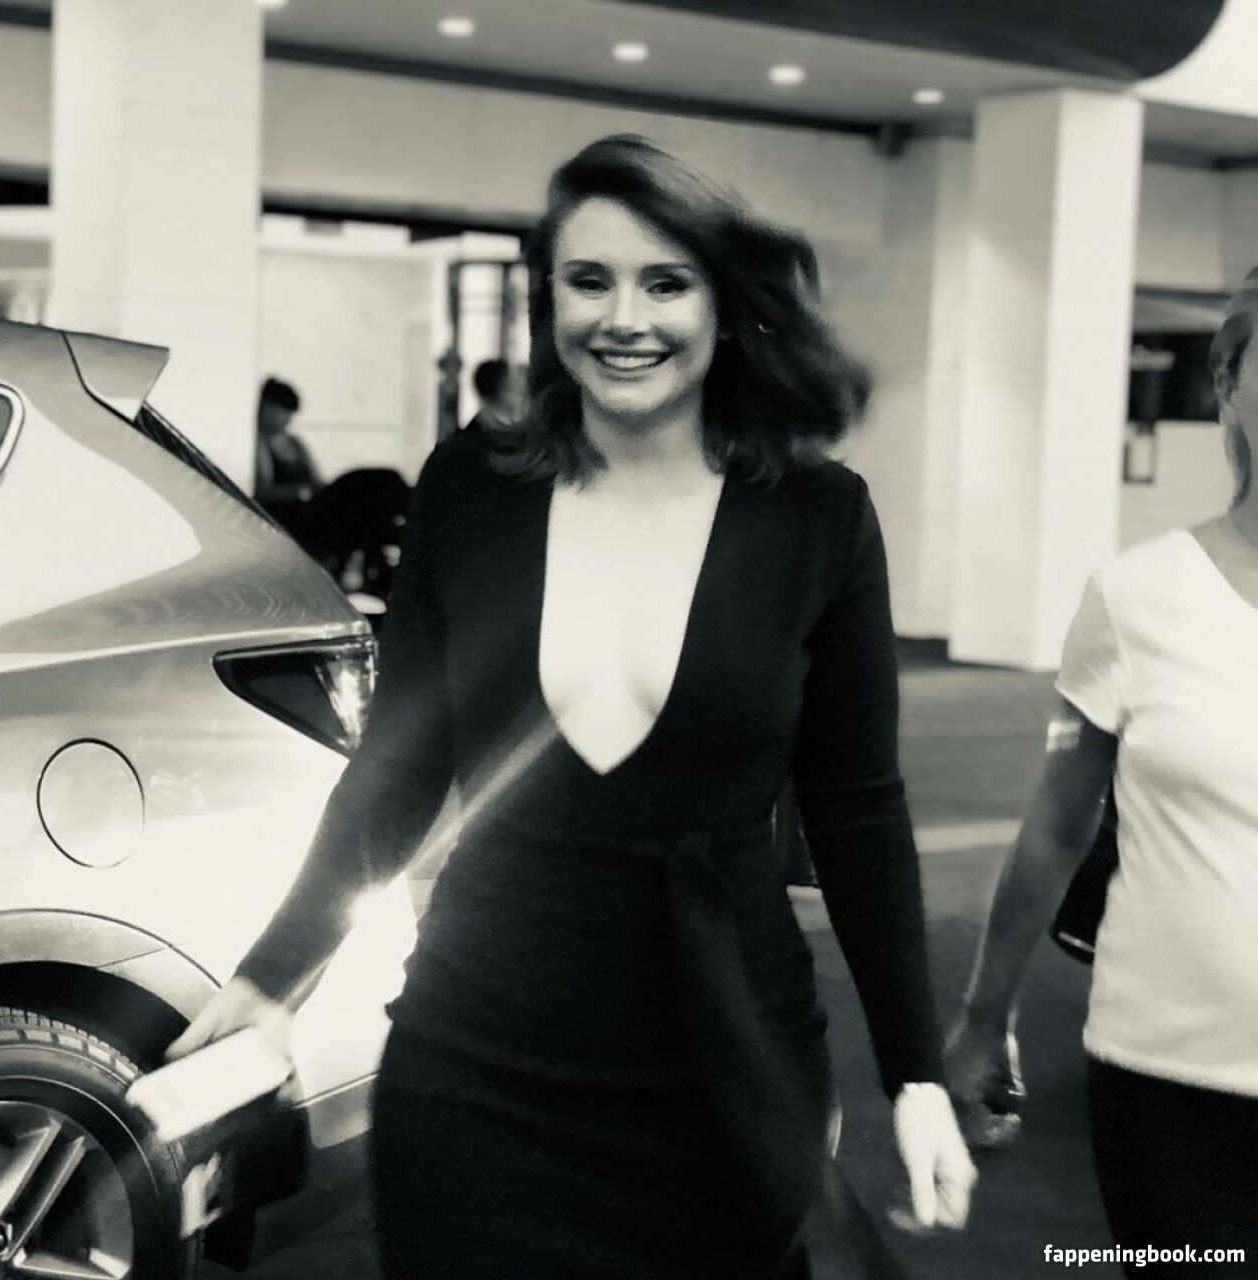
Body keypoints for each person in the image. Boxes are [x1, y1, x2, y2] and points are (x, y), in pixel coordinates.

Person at [170, 134, 975, 1279]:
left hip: (719, 1066)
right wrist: (271, 976)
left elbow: (857, 812)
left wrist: (914, 1070)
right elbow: (396, 768)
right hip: (478, 1060)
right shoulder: (474, 487)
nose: (622, 318)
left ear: (721, 303)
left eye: (665, 282)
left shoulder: (815, 515)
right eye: (588, 280)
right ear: (546, 299)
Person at [946, 270, 1258, 1274]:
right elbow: (1057, 823)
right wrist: (984, 1015)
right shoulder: (1136, 597)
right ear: (1227, 380)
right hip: (1168, 1076)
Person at [255, 376, 322, 505]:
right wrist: (300, 493)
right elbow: (263, 491)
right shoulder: (259, 442)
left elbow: (318, 481)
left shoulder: (296, 442)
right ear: (267, 407)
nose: (289, 419)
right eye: (285, 411)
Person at [461, 357, 525, 440]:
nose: (521, 390)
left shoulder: (513, 433)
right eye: (513, 387)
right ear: (503, 390)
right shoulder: (471, 439)